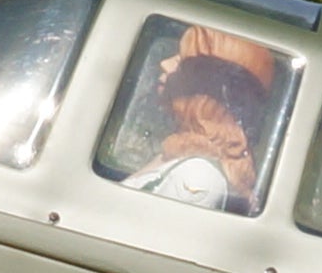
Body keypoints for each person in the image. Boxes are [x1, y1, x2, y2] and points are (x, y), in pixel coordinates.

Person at [110, 21, 287, 213]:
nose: (165, 64)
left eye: (181, 61)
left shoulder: (198, 176)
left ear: (208, 86)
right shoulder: (181, 154)